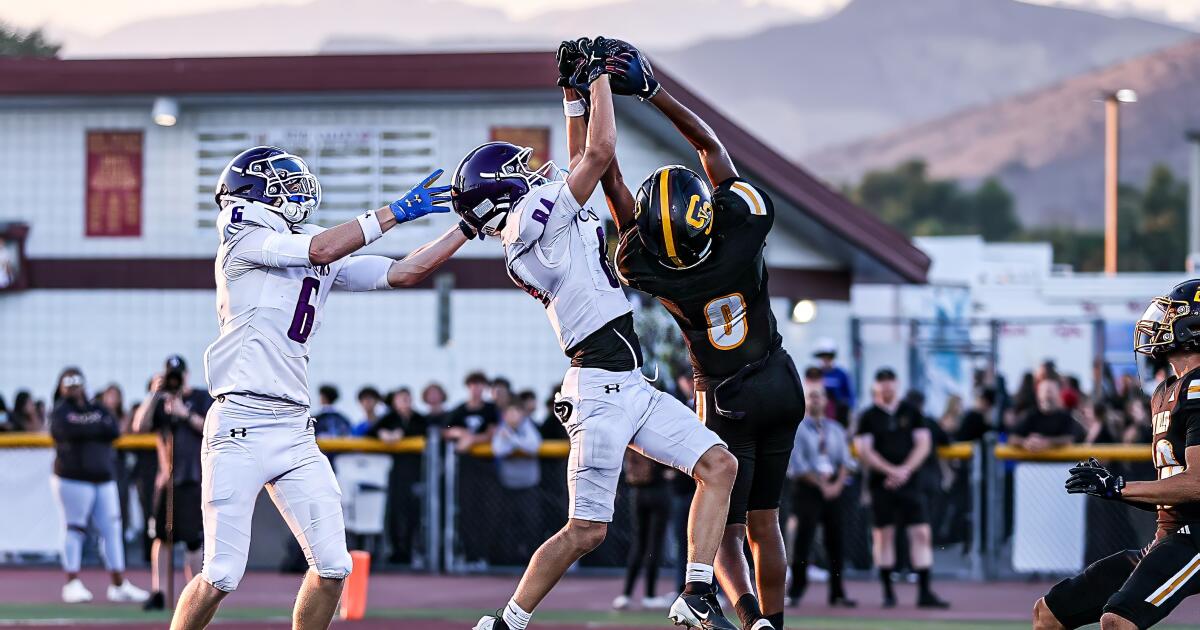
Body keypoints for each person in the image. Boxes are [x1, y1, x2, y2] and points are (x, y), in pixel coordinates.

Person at [458, 38, 737, 630]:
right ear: (502, 191)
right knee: (587, 530)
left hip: (628, 384)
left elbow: (584, 154)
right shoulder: (527, 226)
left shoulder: (541, 220)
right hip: (599, 392)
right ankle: (506, 622)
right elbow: (601, 151)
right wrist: (599, 79)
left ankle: (695, 592)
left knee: (719, 465)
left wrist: (572, 94)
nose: (531, 170)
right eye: (516, 171)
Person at [169, 146, 471, 630]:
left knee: (333, 567)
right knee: (220, 574)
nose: (295, 189)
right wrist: (395, 211)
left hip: (293, 427)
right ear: (251, 190)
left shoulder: (305, 241)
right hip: (240, 424)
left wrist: (466, 228)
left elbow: (403, 271)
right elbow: (320, 251)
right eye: (281, 180)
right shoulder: (243, 235)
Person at [597, 38, 804, 630]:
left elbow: (615, 188)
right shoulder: (741, 226)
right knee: (766, 522)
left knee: (728, 528)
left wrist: (592, 96)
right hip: (780, 381)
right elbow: (711, 148)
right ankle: (774, 623)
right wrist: (653, 91)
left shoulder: (647, 266)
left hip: (725, 395)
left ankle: (747, 618)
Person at [1034, 279, 1200, 630]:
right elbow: (1174, 488)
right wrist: (1114, 488)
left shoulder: (1198, 388)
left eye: (1172, 314)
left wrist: (1118, 486)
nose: (1158, 322)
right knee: (1048, 613)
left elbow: (1197, 485)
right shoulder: (1167, 390)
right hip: (1170, 536)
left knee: (1118, 620)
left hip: (1196, 536)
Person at [49, 367, 149, 604]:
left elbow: (112, 429)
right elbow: (63, 430)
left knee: (112, 530)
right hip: (72, 478)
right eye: (69, 383)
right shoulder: (61, 410)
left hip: (103, 478)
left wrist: (85, 426)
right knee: (74, 529)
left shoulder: (97, 407)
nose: (74, 388)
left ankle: (118, 583)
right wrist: (92, 427)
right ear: (61, 387)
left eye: (77, 382)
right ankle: (71, 582)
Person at [854, 368, 948, 609]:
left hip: (910, 484)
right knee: (883, 535)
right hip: (881, 484)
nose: (886, 386)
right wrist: (890, 471)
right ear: (876, 386)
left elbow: (923, 444)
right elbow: (864, 449)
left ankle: (925, 592)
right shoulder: (868, 416)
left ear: (897, 383)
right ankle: (888, 592)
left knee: (921, 533)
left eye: (890, 381)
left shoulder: (911, 412)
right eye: (881, 381)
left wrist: (904, 470)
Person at [132, 356, 213, 611]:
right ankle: (160, 593)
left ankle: (195, 597)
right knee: (161, 537)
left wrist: (184, 414)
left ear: (186, 375)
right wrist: (153, 395)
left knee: (192, 540)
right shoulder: (160, 402)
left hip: (193, 478)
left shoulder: (200, 398)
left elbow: (210, 428)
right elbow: (139, 426)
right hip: (167, 480)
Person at [787, 386, 855, 608]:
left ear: (826, 401)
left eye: (820, 396)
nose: (816, 400)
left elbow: (846, 461)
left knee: (836, 540)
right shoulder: (798, 429)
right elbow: (797, 465)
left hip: (833, 488)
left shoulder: (835, 429)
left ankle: (838, 591)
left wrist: (836, 485)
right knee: (804, 540)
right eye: (812, 397)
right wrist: (821, 485)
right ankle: (797, 589)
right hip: (808, 489)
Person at [370, 388, 427, 564]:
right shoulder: (388, 418)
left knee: (414, 513)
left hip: (416, 473)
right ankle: (396, 551)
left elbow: (428, 434)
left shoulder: (418, 419)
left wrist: (401, 434)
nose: (405, 402)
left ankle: (410, 550)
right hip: (392, 475)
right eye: (401, 399)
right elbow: (371, 432)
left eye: (407, 398)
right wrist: (384, 434)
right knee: (394, 513)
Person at [614, 451, 673, 611]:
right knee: (654, 545)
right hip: (659, 491)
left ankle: (626, 595)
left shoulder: (635, 441)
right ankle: (649, 596)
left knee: (639, 543)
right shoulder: (659, 441)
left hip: (638, 493)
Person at [491, 402, 544, 564]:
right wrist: (517, 444)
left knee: (532, 524)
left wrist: (512, 440)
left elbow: (534, 446)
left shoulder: (528, 427)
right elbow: (498, 449)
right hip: (507, 486)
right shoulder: (502, 429)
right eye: (509, 413)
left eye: (516, 413)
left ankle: (535, 561)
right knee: (507, 525)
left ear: (522, 415)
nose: (513, 417)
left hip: (528, 486)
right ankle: (508, 561)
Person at [1011, 379, 1079, 452]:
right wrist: (1025, 442)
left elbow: (1069, 439)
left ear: (1058, 394)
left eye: (1050, 392)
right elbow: (1012, 438)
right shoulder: (1030, 415)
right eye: (1043, 391)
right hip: (1032, 458)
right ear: (1038, 394)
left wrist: (1047, 442)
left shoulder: (1065, 416)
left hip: (1060, 459)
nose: (1047, 396)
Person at [445, 372, 500, 453]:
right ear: (468, 386)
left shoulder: (491, 408)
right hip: (464, 456)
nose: (476, 388)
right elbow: (447, 428)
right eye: (474, 384)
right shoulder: (459, 410)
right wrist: (458, 432)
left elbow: (492, 432)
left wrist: (472, 439)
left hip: (486, 455)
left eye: (480, 384)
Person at [813, 339, 855, 426]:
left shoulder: (842, 374)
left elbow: (850, 397)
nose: (825, 359)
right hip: (818, 415)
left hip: (839, 417)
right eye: (823, 356)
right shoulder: (815, 374)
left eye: (828, 356)